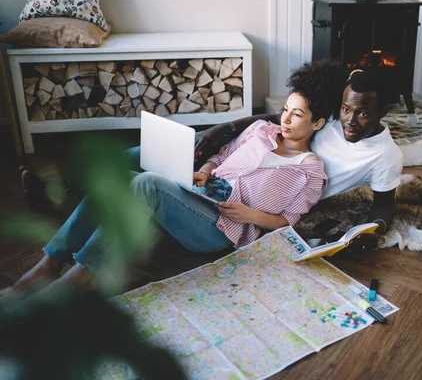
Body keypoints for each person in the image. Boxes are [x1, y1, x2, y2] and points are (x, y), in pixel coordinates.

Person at [6, 61, 339, 296]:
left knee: (145, 183)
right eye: (286, 110)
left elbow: (289, 221)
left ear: (318, 123)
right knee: (124, 175)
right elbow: (221, 156)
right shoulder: (261, 130)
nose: (286, 119)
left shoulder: (310, 170)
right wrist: (204, 170)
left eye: (298, 115)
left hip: (223, 227)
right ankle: (49, 263)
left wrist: (251, 215)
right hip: (197, 193)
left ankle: (79, 278)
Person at [196, 68, 403, 251]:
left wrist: (376, 230)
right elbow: (281, 119)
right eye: (346, 109)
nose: (350, 121)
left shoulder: (386, 155)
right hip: (272, 154)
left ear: (382, 112)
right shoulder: (331, 114)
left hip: (290, 186)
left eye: (363, 114)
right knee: (194, 143)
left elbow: (384, 203)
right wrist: (224, 128)